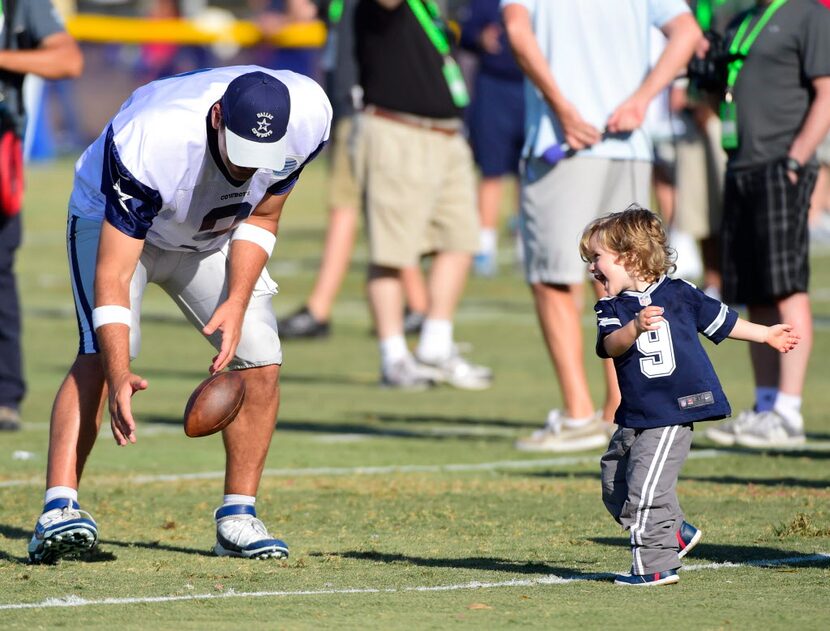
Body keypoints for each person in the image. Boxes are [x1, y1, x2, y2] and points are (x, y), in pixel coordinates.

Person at [26, 67, 332, 564]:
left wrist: (236, 300)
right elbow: (113, 275)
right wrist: (121, 369)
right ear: (216, 119)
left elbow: (264, 216)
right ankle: (57, 510)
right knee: (99, 354)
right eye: (240, 151)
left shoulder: (309, 117)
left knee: (261, 354)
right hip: (121, 230)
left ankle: (237, 518)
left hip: (213, 236)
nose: (246, 169)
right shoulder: (153, 140)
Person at [501, 0, 702, 451]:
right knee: (621, 279)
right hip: (626, 141)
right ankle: (619, 410)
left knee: (555, 280)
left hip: (563, 141)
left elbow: (517, 31)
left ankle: (579, 416)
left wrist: (564, 109)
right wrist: (641, 100)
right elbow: (687, 33)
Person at [581, 206, 800, 586]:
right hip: (635, 414)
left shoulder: (680, 294)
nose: (591, 269)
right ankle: (675, 532)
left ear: (629, 256)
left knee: (646, 488)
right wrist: (634, 326)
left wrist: (766, 334)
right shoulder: (611, 307)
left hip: (673, 410)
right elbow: (610, 346)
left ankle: (655, 565)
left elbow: (724, 320)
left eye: (597, 258)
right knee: (614, 482)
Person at [704, 0, 830, 449]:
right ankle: (764, 406)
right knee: (754, 292)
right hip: (741, 167)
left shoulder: (809, 14)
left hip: (781, 165)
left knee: (785, 286)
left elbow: (827, 92)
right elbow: (725, 93)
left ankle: (789, 412)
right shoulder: (741, 21)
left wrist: (796, 159)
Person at [353, 0, 492, 390]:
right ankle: (393, 357)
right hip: (398, 131)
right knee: (392, 252)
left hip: (447, 136)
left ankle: (435, 344)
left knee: (461, 240)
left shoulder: (429, 9)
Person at [279, 0, 428, 339]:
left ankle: (320, 308)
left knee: (348, 208)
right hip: (354, 107)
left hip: (365, 109)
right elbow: (303, 10)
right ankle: (419, 304)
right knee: (380, 210)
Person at [0, 0, 83, 432]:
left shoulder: (22, 5)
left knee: (0, 271)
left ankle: (4, 396)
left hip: (1, 150)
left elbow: (68, 60)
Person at [459, 0, 524, 278]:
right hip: (493, 86)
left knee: (528, 170)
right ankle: (485, 245)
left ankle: (525, 243)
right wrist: (479, 37)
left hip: (530, 85)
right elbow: (465, 31)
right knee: (491, 169)